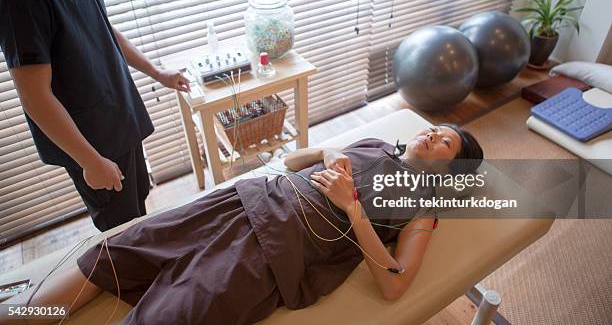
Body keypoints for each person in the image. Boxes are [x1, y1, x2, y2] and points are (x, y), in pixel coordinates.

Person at [3, 125, 483, 325]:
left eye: (445, 143)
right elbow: (293, 158)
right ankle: (21, 315)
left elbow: (395, 286)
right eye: (437, 127)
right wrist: (328, 153)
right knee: (116, 251)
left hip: (270, 255)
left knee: (170, 315)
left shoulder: (422, 210)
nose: (433, 132)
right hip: (241, 203)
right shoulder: (375, 143)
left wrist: (353, 207)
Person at [0, 0, 190, 231]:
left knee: (138, 205)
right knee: (120, 230)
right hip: (93, 140)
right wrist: (89, 160)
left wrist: (158, 73)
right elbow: (35, 96)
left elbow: (104, 29)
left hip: (119, 118)